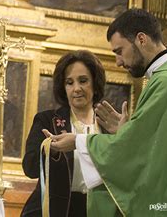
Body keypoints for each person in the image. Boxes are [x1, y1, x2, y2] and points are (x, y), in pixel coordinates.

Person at [46, 8, 167, 216]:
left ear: (141, 39)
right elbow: (157, 147)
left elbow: (134, 152)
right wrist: (127, 130)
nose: (119, 62)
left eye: (119, 51)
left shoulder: (165, 83)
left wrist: (77, 142)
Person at [21, 50, 107, 217]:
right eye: (69, 82)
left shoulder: (109, 124)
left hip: (98, 210)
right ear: (63, 87)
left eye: (83, 81)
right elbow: (30, 167)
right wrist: (50, 150)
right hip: (55, 210)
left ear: (95, 85)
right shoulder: (46, 120)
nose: (76, 89)